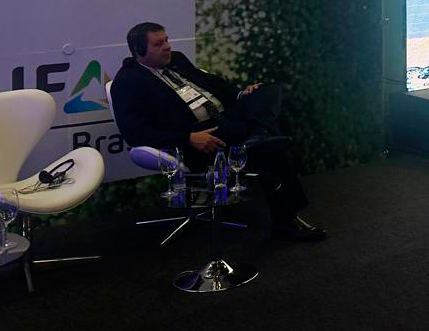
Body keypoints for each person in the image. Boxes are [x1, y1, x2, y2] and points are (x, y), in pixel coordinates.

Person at [111, 22, 325, 241]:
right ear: (138, 50)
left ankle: (257, 135)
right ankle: (285, 220)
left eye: (167, 40)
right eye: (158, 44)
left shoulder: (176, 59)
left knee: (269, 90)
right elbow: (135, 134)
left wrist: (241, 94)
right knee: (268, 148)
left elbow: (210, 82)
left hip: (226, 116)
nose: (167, 46)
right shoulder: (127, 83)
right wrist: (188, 138)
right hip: (198, 134)